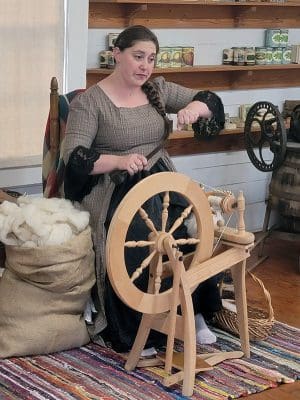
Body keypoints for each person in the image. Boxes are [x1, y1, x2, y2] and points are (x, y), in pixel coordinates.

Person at [62, 25, 225, 353]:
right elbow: (74, 157)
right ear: (116, 55)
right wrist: (119, 161)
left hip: (162, 180)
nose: (145, 66)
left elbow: (207, 100)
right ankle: (138, 328)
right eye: (138, 57)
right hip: (113, 187)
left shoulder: (158, 90)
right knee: (143, 234)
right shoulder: (91, 103)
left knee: (194, 226)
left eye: (151, 59)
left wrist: (194, 109)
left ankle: (191, 313)